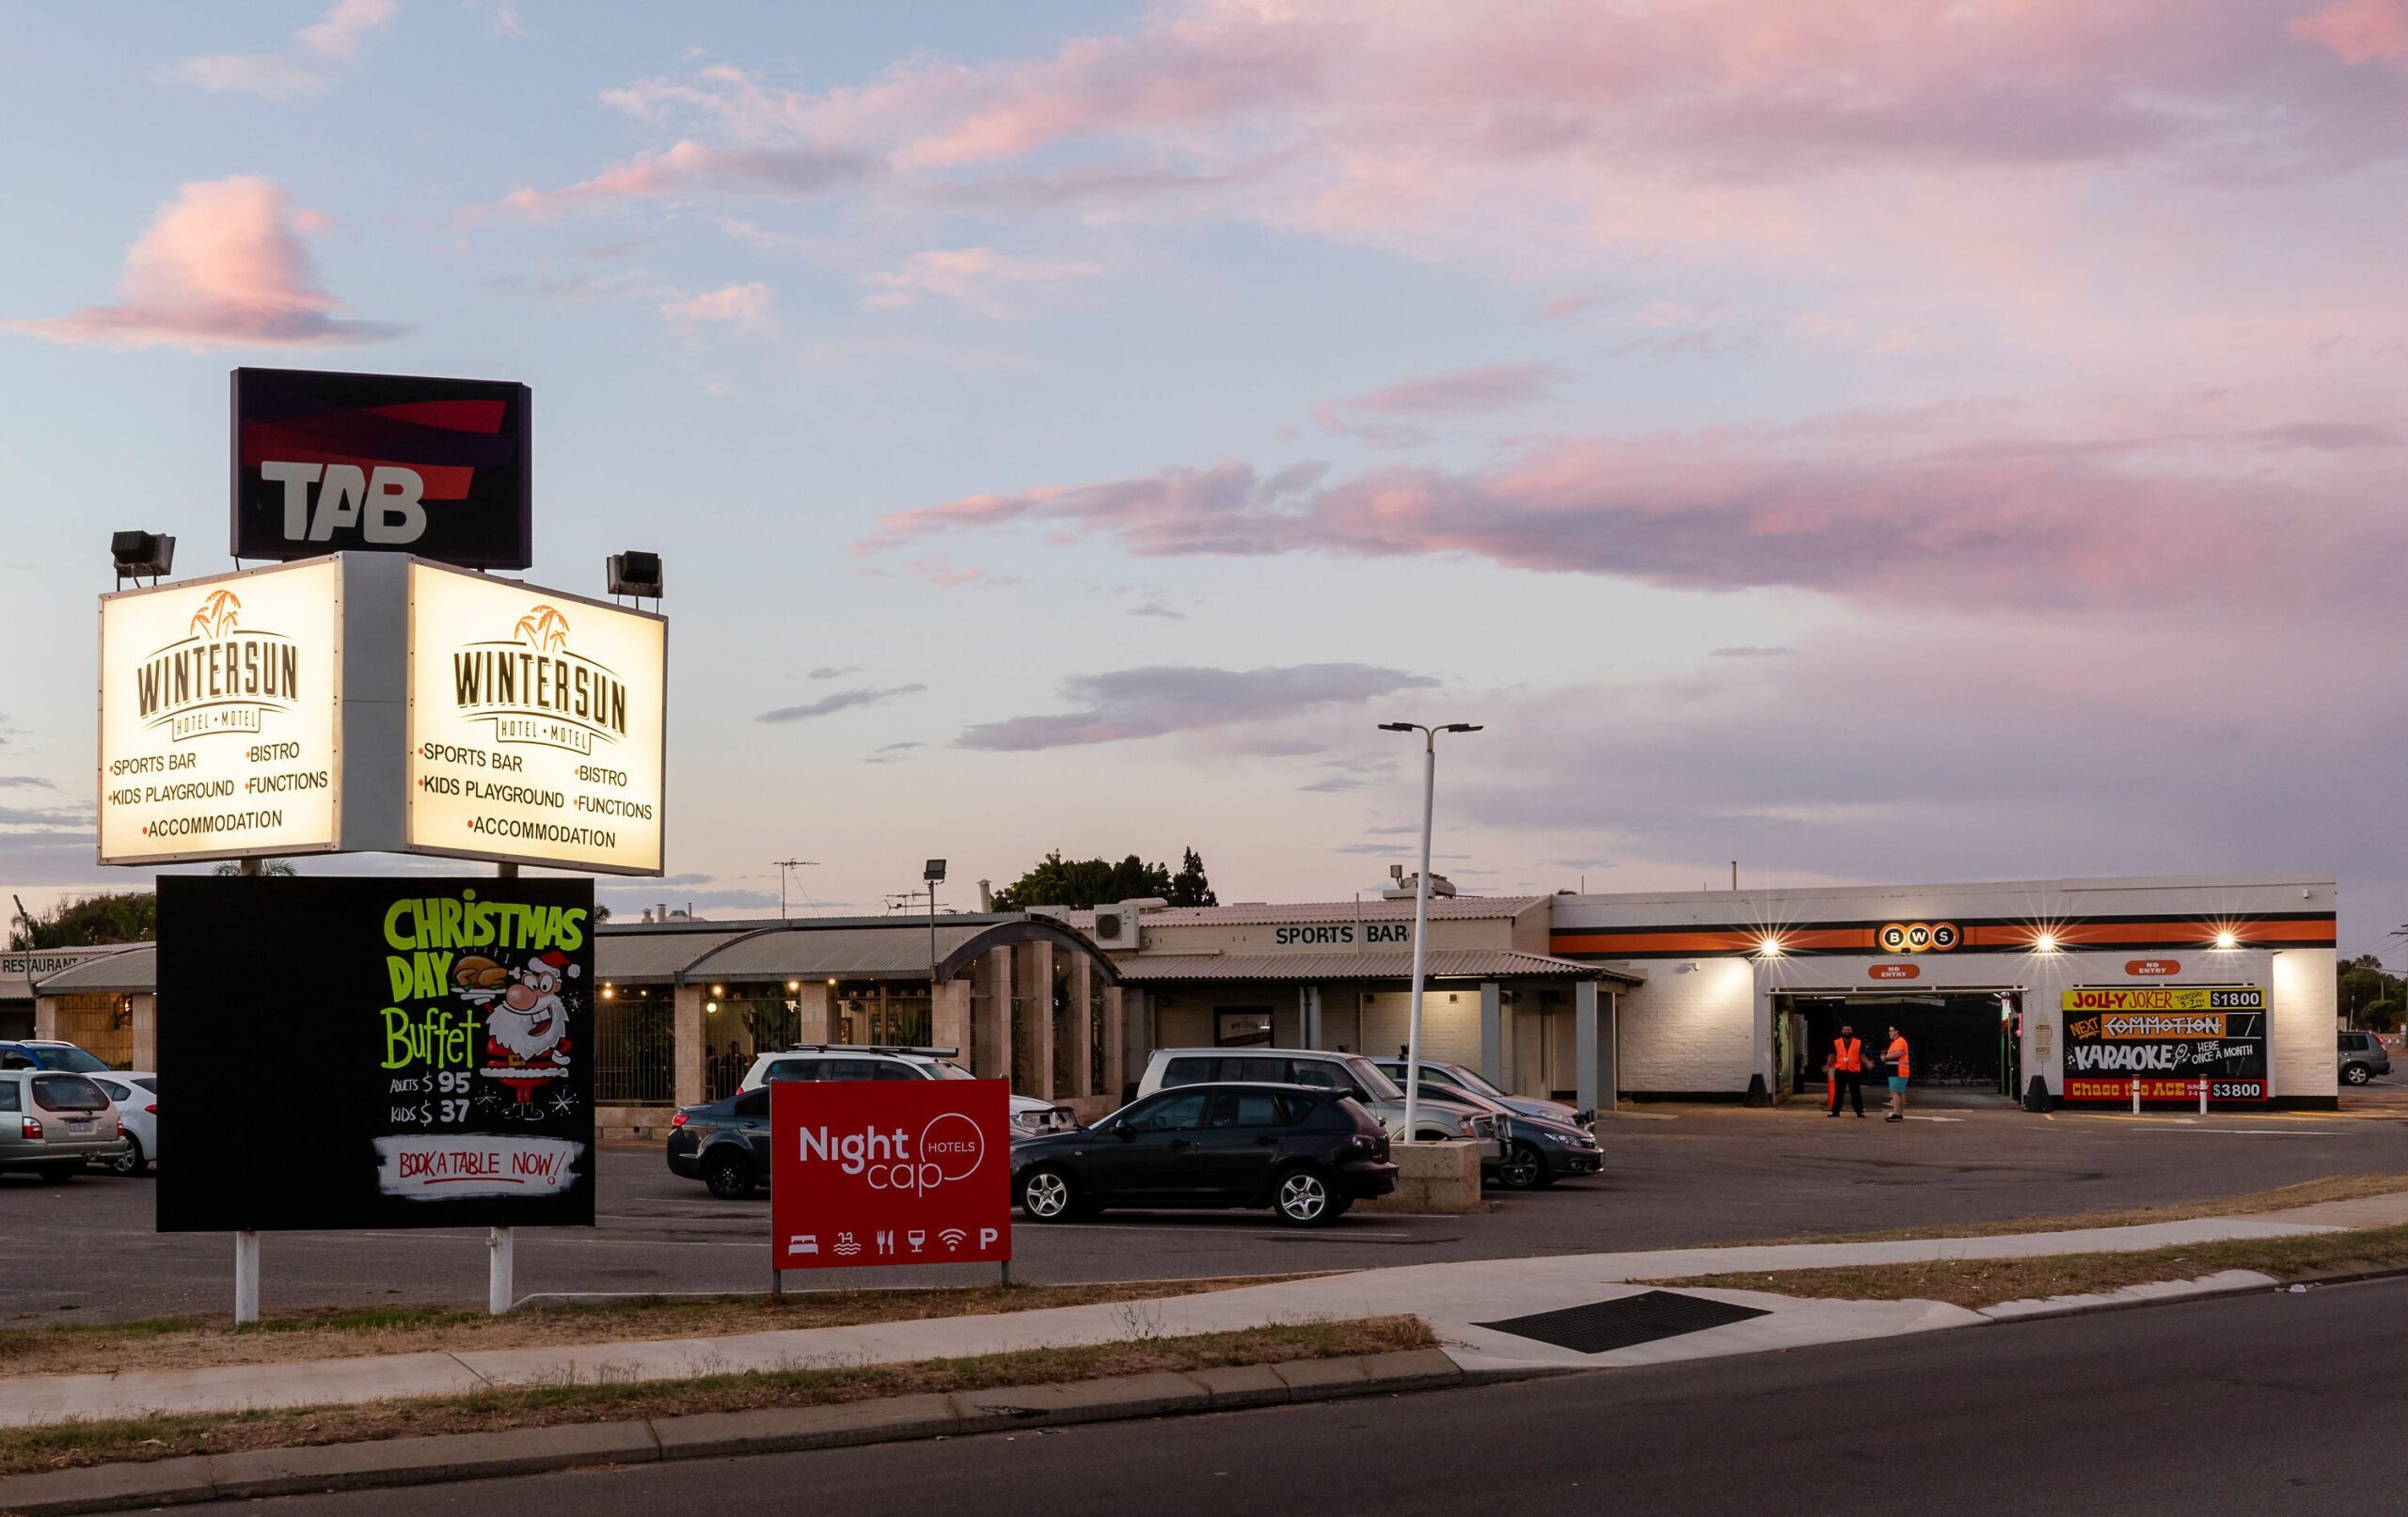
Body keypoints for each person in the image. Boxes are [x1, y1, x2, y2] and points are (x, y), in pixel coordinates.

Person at [1827, 1023, 1866, 1117]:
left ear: (1851, 1031)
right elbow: (1833, 1056)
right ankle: (1835, 1112)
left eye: (1848, 1030)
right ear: (1842, 1031)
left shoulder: (1858, 1042)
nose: (1847, 1031)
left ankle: (1859, 1111)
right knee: (1839, 1092)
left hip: (1853, 1071)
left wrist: (1867, 1062)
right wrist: (1827, 1066)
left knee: (1856, 1092)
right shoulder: (1836, 1042)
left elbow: (1862, 1055)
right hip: (1841, 1070)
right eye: (1845, 1030)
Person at [1883, 1025, 1911, 1122]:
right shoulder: (1896, 1042)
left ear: (1897, 1031)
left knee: (1895, 1092)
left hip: (1898, 1070)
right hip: (1897, 1070)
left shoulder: (1899, 1041)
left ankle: (1897, 1115)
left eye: (1891, 1031)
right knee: (1899, 1092)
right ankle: (1899, 1114)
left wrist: (1886, 1057)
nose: (1889, 1033)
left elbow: (1898, 1053)